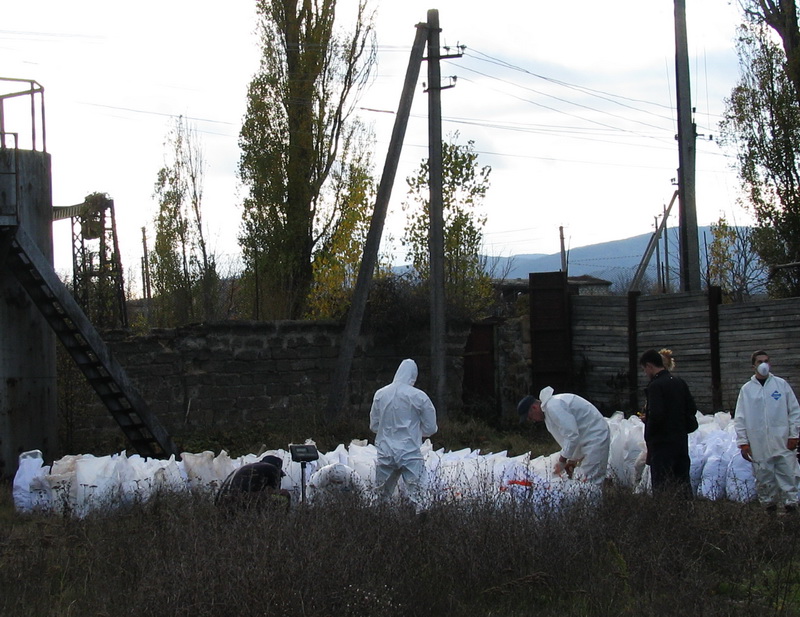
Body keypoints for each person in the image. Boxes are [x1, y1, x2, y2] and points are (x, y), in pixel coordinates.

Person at [733, 350, 800, 514]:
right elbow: (740, 417)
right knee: (764, 477)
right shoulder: (747, 390)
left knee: (788, 475)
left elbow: (794, 411)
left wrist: (793, 435)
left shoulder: (781, 385)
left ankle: (790, 508)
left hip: (782, 441)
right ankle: (769, 511)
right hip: (759, 443)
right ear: (753, 366)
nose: (764, 364)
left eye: (766, 361)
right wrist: (743, 442)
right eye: (759, 361)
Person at [370, 359, 438, 506]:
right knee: (419, 497)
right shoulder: (419, 396)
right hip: (410, 452)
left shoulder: (380, 394)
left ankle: (378, 525)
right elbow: (431, 427)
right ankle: (421, 524)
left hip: (385, 452)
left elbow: (374, 425)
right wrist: (417, 433)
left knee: (380, 496)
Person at [517, 387, 610, 485]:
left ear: (534, 408)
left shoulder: (554, 406)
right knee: (583, 482)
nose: (533, 420)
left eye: (530, 417)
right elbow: (570, 436)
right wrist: (571, 460)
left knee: (591, 482)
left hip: (596, 437)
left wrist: (562, 460)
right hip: (588, 439)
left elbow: (572, 436)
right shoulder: (549, 412)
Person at [639, 348, 698, 496]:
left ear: (649, 366)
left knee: (662, 485)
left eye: (644, 369)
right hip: (680, 440)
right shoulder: (679, 382)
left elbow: (657, 415)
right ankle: (685, 513)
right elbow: (692, 408)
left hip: (662, 443)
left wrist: (649, 430)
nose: (645, 373)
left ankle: (666, 516)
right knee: (682, 481)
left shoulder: (655, 386)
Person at [215, 454, 291, 511]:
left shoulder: (244, 468)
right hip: (241, 503)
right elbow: (273, 491)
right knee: (284, 496)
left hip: (222, 505)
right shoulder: (271, 469)